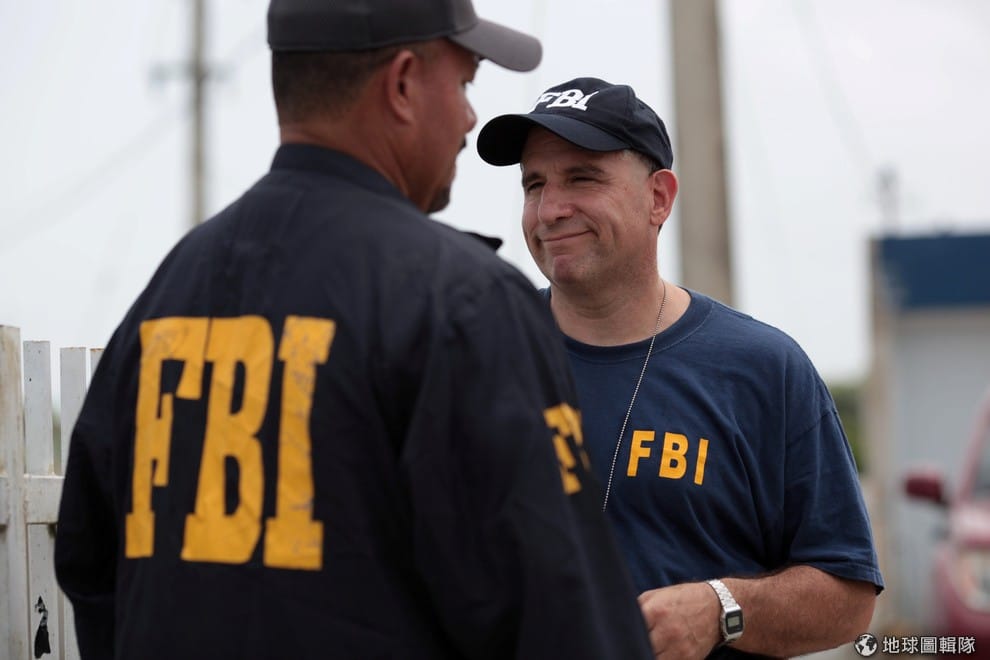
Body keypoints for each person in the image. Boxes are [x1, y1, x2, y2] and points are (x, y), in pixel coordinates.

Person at [54, 11, 655, 659]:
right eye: (464, 85)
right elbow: (561, 614)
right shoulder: (461, 302)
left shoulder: (168, 296)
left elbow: (92, 570)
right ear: (402, 85)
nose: (468, 119)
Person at [477, 77, 884, 659]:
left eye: (582, 178)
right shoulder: (476, 354)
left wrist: (722, 610)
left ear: (659, 198)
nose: (550, 210)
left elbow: (848, 599)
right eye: (534, 184)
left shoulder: (762, 369)